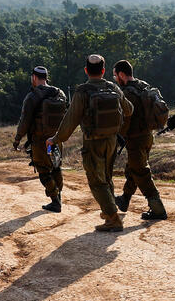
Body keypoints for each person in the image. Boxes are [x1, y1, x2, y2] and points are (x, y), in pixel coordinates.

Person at [47, 54, 133, 232]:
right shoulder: (113, 87)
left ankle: (113, 218)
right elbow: (129, 109)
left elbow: (70, 120)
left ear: (86, 70)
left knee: (96, 181)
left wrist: (55, 139)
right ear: (103, 70)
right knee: (106, 178)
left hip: (93, 143)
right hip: (112, 141)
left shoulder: (83, 91)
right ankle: (109, 210)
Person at [112, 59, 168, 221]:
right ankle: (125, 199)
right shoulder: (143, 85)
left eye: (116, 75)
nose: (115, 78)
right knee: (132, 170)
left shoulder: (127, 93)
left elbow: (125, 122)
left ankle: (158, 209)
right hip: (147, 137)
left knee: (140, 172)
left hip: (136, 139)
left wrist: (116, 137)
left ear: (122, 75)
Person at [13, 65, 66, 212]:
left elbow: (24, 121)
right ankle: (58, 196)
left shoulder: (32, 96)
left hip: (41, 141)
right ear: (46, 77)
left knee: (43, 170)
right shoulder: (59, 93)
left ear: (34, 78)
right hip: (55, 140)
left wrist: (17, 140)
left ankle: (55, 201)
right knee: (56, 166)